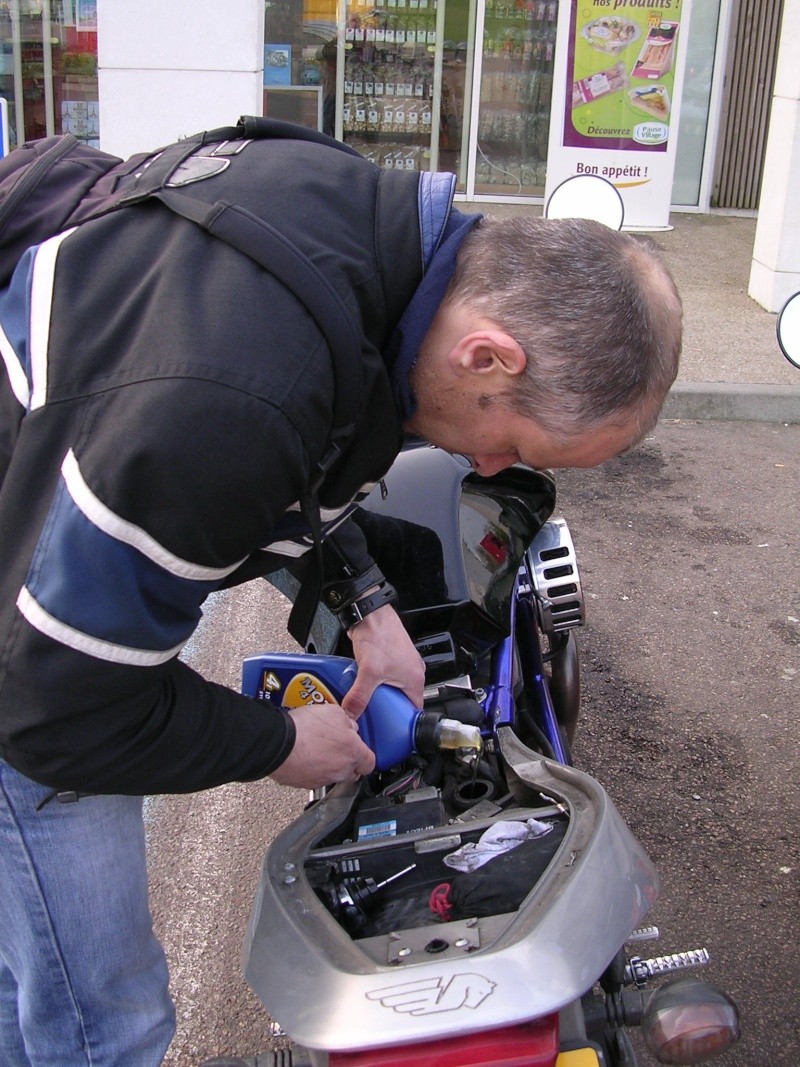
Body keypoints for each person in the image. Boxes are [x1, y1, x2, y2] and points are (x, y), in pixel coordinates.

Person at [0, 125, 682, 1066]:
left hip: (74, 485)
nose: (484, 466)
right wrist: (274, 741)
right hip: (29, 659)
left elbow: (323, 412)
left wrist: (367, 600)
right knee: (100, 1020)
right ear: (489, 356)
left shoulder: (372, 233)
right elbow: (53, 711)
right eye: (512, 447)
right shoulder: (223, 403)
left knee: (25, 959)